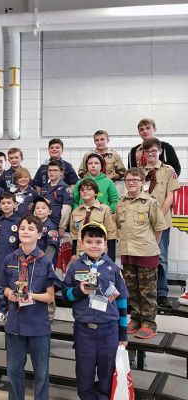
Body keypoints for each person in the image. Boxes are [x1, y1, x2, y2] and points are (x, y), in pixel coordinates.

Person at [62, 222, 129, 400]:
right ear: (81, 243)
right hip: (84, 331)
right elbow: (65, 295)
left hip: (109, 331)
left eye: (98, 242)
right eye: (89, 241)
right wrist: (79, 291)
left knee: (107, 375)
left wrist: (123, 334)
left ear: (105, 244)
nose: (94, 245)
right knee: (84, 375)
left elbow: (121, 302)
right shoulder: (75, 267)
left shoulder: (113, 269)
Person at [0, 215, 60, 400]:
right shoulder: (9, 259)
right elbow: (5, 287)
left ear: (39, 234)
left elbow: (50, 297)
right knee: (14, 370)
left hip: (38, 324)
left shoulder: (45, 261)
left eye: (31, 228)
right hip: (15, 324)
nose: (26, 231)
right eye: (23, 228)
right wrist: (9, 293)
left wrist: (31, 296)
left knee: (41, 372)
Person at [116, 168, 168, 339]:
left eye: (135, 180)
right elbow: (118, 226)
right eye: (128, 180)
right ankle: (136, 319)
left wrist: (150, 245)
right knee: (132, 289)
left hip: (146, 252)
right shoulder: (121, 202)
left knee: (147, 292)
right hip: (128, 252)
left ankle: (149, 324)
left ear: (143, 182)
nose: (131, 183)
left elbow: (159, 227)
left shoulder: (151, 203)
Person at [142, 138, 180, 308]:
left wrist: (157, 217)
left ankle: (161, 293)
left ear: (160, 151)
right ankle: (144, 292)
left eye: (154, 151)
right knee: (143, 256)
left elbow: (170, 197)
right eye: (147, 151)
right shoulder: (140, 172)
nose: (151, 154)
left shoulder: (168, 170)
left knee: (161, 257)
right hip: (142, 222)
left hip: (161, 221)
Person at [70, 179, 117, 261]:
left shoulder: (105, 209)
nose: (85, 191)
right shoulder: (76, 211)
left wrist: (110, 258)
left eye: (89, 189)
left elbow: (111, 233)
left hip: (100, 254)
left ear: (96, 192)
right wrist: (74, 253)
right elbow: (74, 234)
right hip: (81, 253)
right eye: (82, 190)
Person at [0, 192, 20, 322]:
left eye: (9, 203)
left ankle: (12, 311)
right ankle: (2, 310)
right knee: (0, 287)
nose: (6, 205)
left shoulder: (20, 221)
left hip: (14, 261)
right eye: (3, 203)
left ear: (15, 204)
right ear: (0, 205)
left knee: (14, 287)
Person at [40, 160, 73, 238]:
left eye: (55, 170)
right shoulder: (44, 188)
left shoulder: (65, 188)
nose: (52, 173)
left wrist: (62, 227)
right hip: (43, 224)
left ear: (61, 172)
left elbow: (67, 209)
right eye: (50, 170)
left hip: (57, 226)